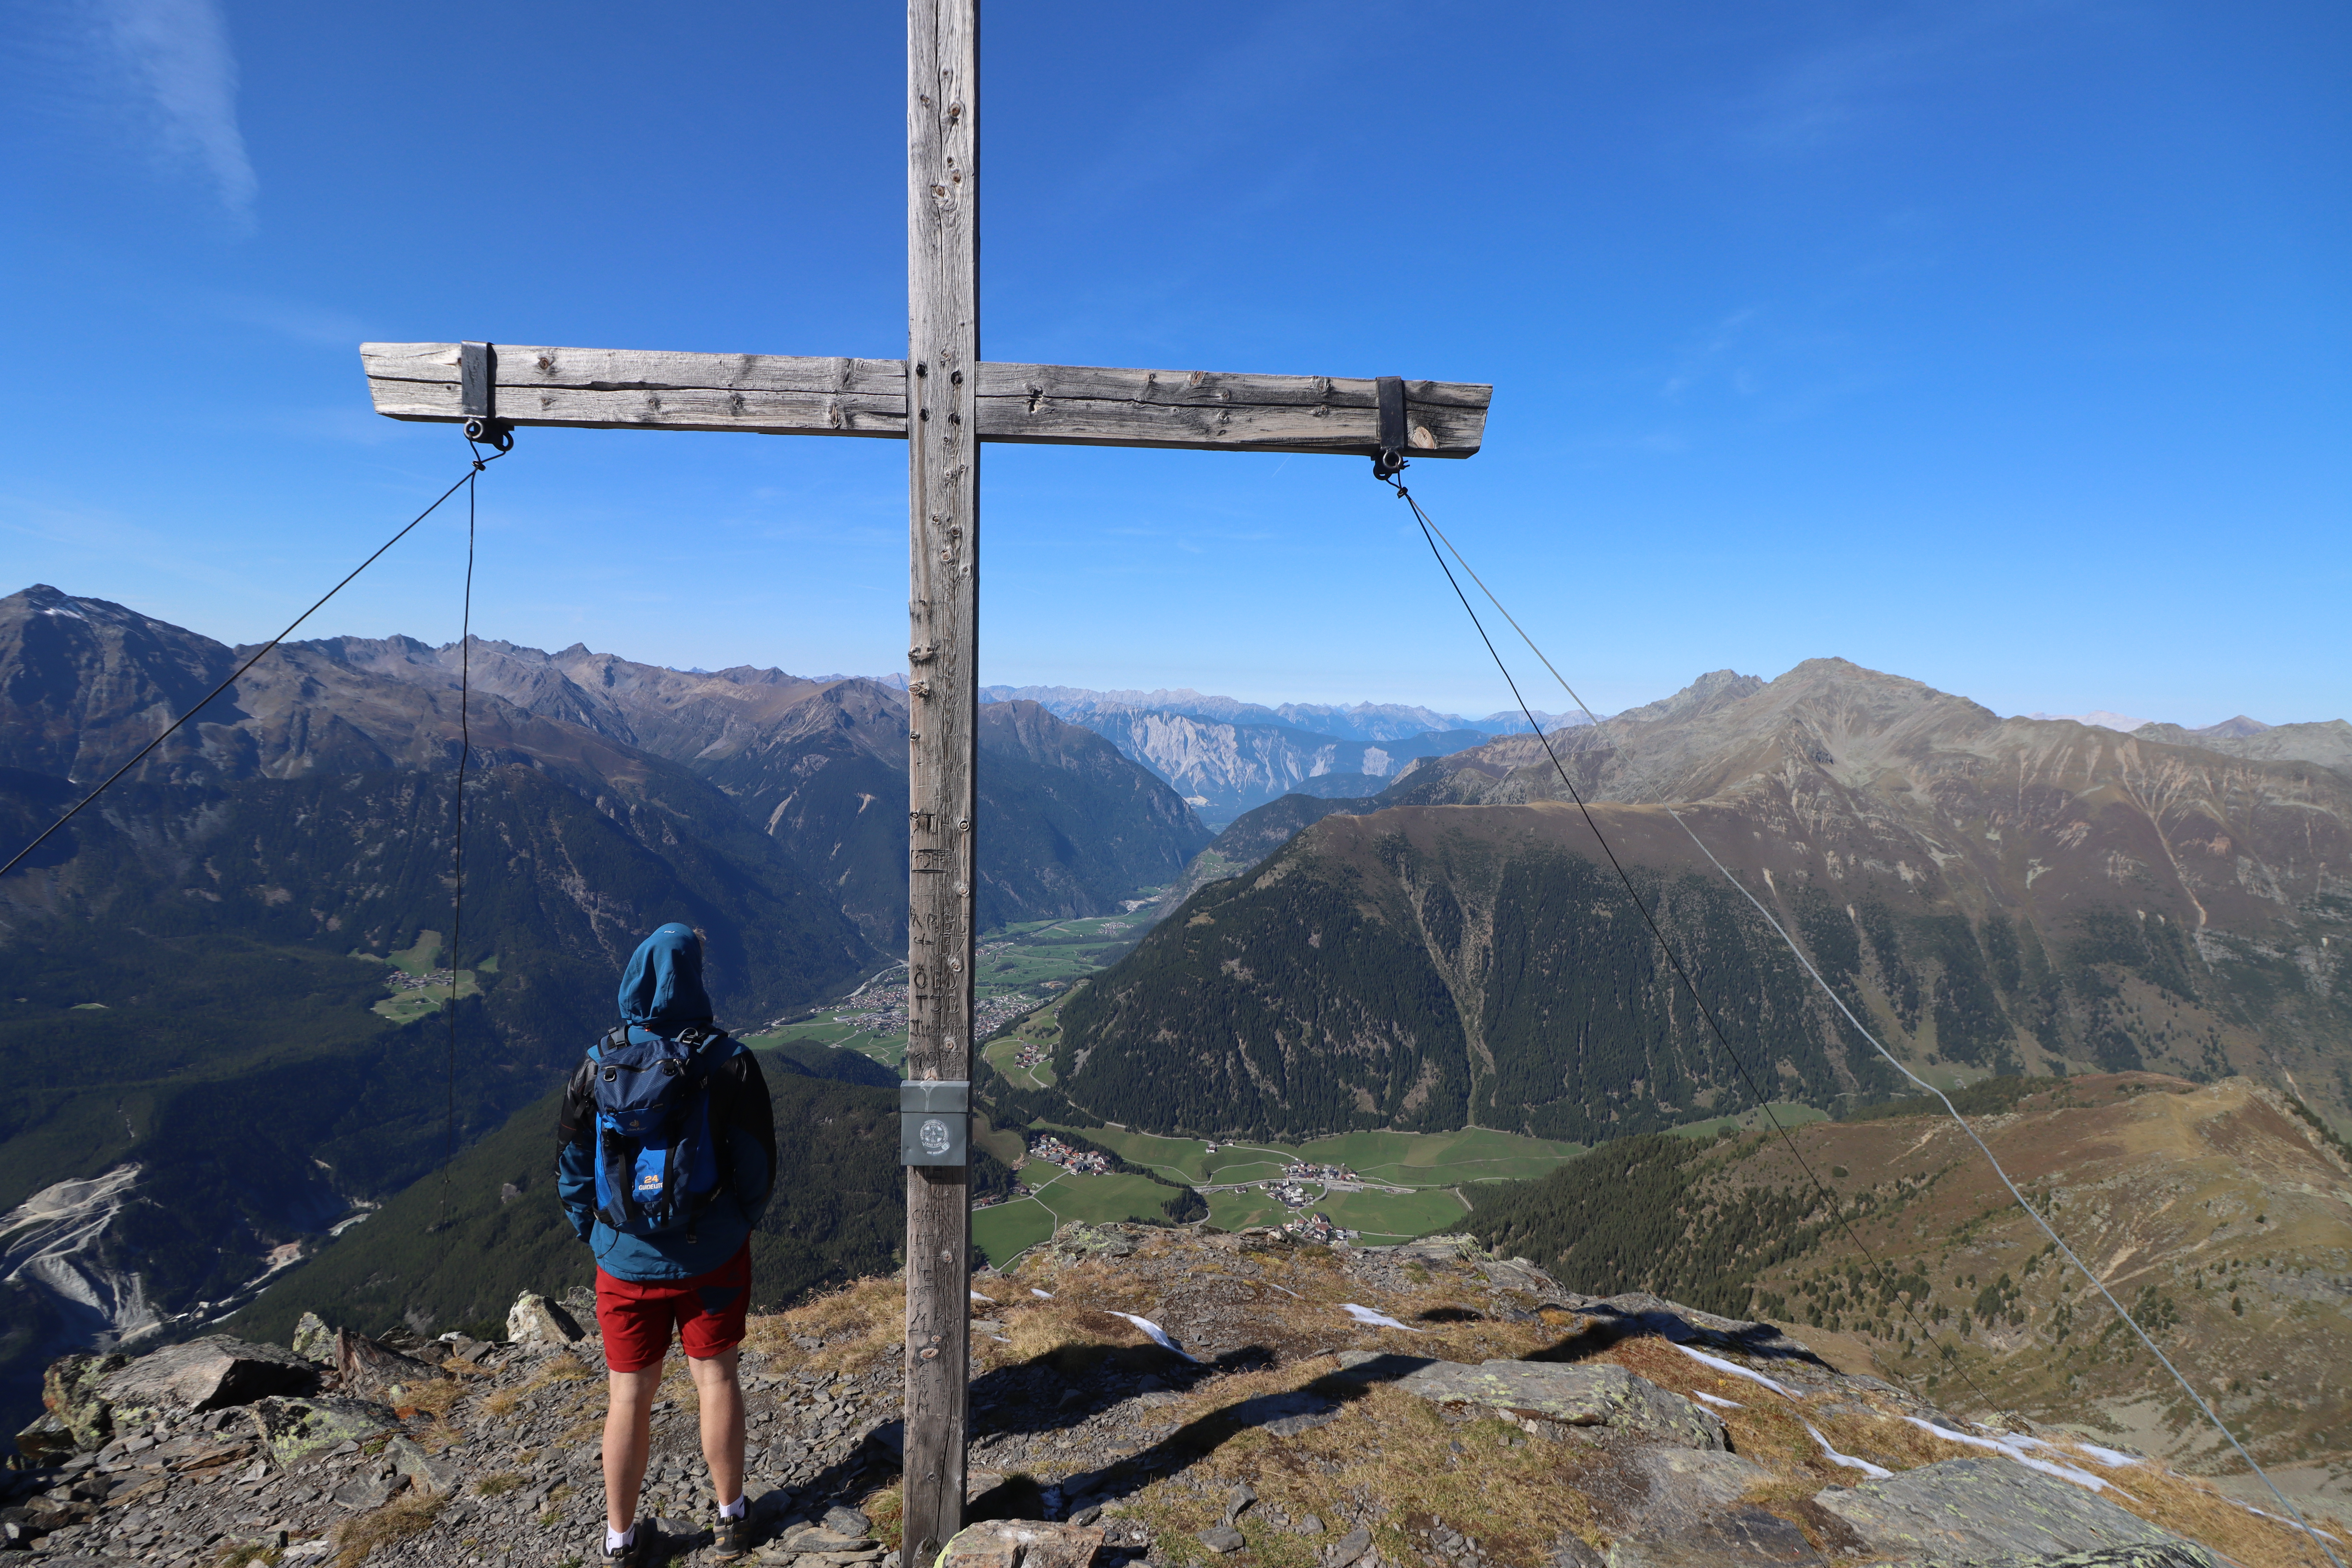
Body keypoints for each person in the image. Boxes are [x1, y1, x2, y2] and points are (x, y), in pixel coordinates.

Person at [557, 923, 777, 1566]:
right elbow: (758, 1165)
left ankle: (620, 1541)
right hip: (711, 1253)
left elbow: (572, 1164)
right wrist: (736, 1224)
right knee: (717, 1379)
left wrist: (597, 1234)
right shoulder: (727, 1060)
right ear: (694, 976)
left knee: (628, 1393)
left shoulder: (598, 1063)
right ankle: (733, 1519)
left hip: (623, 1260)